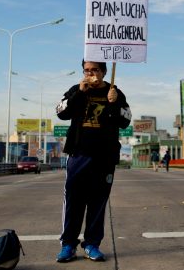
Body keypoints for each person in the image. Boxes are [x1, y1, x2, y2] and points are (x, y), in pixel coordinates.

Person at [55, 60, 131, 263]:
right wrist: (79, 92)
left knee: (98, 202)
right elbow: (61, 112)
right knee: (73, 200)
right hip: (79, 154)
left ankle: (92, 244)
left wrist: (114, 103)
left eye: (95, 70)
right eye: (87, 70)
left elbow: (126, 121)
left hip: (104, 156)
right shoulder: (76, 89)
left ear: (104, 72)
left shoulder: (116, 92)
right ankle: (68, 245)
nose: (91, 74)